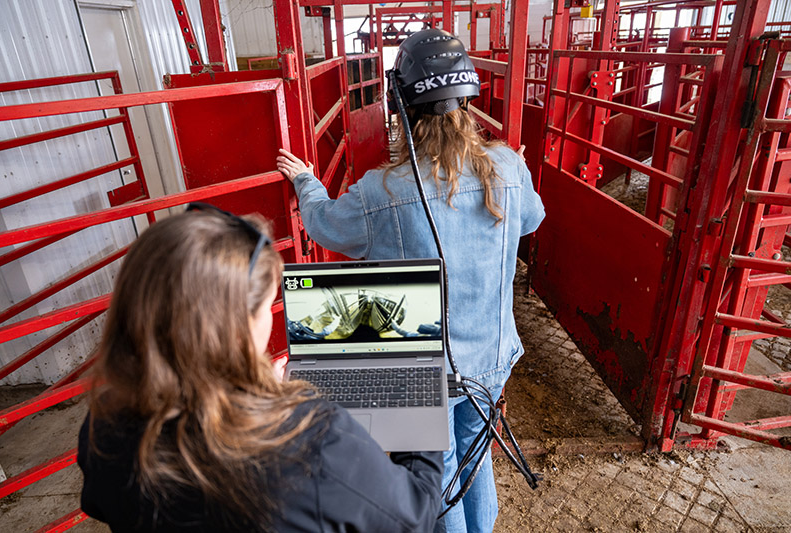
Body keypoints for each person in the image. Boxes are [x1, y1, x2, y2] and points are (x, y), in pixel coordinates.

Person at [276, 28, 545, 533]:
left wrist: (306, 181)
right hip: (493, 358)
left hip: (424, 369)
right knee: (475, 456)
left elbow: (325, 225)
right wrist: (519, 169)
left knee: (437, 472)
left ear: (399, 101)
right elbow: (530, 220)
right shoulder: (508, 166)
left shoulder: (381, 190)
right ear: (467, 95)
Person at [77, 204, 443, 532]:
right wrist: (418, 417)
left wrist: (246, 386)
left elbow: (99, 503)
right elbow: (416, 516)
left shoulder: (103, 426)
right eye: (267, 308)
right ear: (233, 332)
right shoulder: (310, 440)